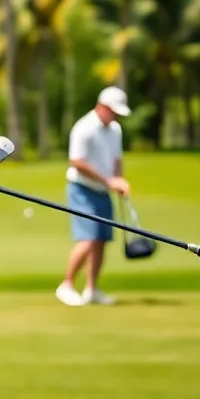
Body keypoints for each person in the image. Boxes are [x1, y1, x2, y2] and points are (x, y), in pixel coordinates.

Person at [55, 86, 131, 307]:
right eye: (112, 111)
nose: (115, 115)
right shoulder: (84, 128)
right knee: (88, 238)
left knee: (100, 240)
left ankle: (91, 289)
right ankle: (66, 285)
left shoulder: (115, 129)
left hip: (102, 190)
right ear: (101, 106)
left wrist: (119, 180)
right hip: (81, 188)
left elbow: (116, 160)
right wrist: (108, 181)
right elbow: (77, 162)